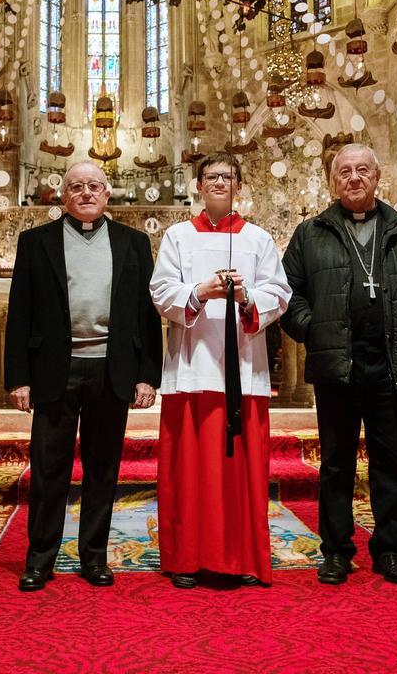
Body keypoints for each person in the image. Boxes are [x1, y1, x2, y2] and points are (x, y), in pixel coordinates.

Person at [281, 143, 397, 587]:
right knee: (336, 463)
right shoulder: (310, 233)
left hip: (392, 362)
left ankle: (389, 549)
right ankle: (336, 551)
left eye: (362, 170)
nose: (354, 178)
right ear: (332, 181)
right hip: (338, 363)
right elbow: (288, 293)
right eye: (344, 172)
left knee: (390, 461)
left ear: (377, 177)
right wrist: (314, 330)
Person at [5, 161, 162, 592]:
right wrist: (18, 378)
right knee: (48, 470)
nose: (86, 193)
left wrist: (147, 376)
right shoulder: (36, 242)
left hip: (112, 368)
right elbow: (19, 312)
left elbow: (147, 314)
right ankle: (40, 560)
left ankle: (94, 557)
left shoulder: (133, 242)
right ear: (63, 196)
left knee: (102, 470)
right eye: (77, 187)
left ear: (108, 194)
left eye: (94, 186)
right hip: (55, 369)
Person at [149, 152, 291, 588]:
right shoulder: (177, 236)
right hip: (191, 369)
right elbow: (160, 290)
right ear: (197, 185)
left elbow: (279, 293)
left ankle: (241, 556)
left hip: (242, 370)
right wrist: (199, 292)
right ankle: (187, 558)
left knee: (241, 470)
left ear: (239, 186)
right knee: (190, 472)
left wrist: (247, 298)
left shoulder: (258, 239)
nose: (218, 183)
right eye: (210, 176)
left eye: (228, 177)